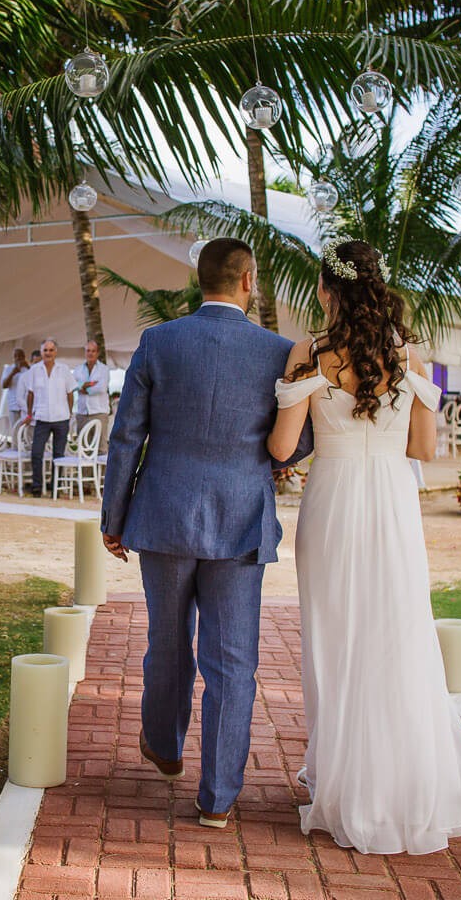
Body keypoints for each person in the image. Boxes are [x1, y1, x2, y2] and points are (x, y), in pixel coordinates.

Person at [267, 238, 461, 854]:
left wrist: (294, 389)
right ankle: (398, 783)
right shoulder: (409, 358)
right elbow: (424, 451)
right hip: (391, 507)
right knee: (397, 634)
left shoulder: (307, 353)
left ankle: (340, 778)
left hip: (333, 503)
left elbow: (282, 450)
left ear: (324, 290)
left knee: (335, 640)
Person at [100, 238, 310, 828]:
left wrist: (114, 519)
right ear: (248, 281)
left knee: (167, 642)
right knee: (233, 661)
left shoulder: (159, 341)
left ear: (201, 281)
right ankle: (217, 798)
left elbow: (126, 438)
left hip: (164, 515)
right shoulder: (279, 353)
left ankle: (164, 749)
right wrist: (267, 463)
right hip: (241, 519)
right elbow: (300, 439)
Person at [25, 339, 74, 498]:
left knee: (58, 455)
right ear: (41, 352)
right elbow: (30, 393)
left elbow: (70, 393)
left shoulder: (64, 369)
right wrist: (29, 413)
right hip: (42, 417)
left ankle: (55, 487)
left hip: (61, 417)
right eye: (45, 350)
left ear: (56, 352)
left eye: (51, 350)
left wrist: (69, 412)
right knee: (36, 453)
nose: (48, 353)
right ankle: (37, 486)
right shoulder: (34, 370)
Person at [73, 338, 112, 440]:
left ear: (98, 353)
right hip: (82, 413)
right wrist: (87, 384)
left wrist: (83, 389)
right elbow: (72, 385)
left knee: (101, 448)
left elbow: (101, 388)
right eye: (88, 351)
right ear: (85, 352)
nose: (90, 353)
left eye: (93, 351)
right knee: (83, 447)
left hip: (99, 412)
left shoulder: (104, 369)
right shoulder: (77, 369)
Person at [1, 348, 31, 428]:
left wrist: (27, 367)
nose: (17, 358)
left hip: (27, 406)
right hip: (14, 405)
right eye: (15, 356)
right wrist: (12, 373)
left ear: (24, 357)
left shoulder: (29, 369)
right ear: (13, 358)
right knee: (15, 430)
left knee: (26, 431)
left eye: (20, 356)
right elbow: (4, 386)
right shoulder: (8, 369)